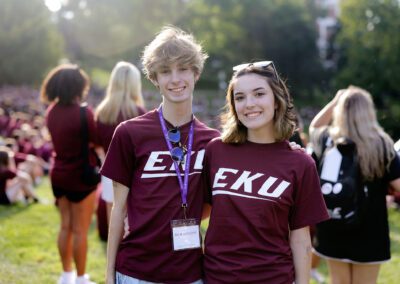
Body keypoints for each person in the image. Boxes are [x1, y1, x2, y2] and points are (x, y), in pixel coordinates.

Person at [101, 26, 220, 284]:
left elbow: (211, 203)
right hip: (135, 272)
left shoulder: (212, 142)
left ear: (196, 73)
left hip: (190, 273)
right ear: (154, 78)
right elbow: (118, 209)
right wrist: (109, 275)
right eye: (165, 71)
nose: (175, 79)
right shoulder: (129, 133)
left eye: (183, 69)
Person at [202, 61, 329, 284]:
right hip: (217, 278)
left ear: (277, 101)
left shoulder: (300, 163)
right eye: (240, 97)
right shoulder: (216, 151)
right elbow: (198, 211)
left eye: (259, 94)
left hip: (273, 278)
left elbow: (301, 240)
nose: (249, 104)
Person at [309, 86, 400, 284]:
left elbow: (314, 127)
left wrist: (335, 101)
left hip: (333, 224)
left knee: (339, 282)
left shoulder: (327, 140)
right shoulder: (382, 144)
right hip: (369, 230)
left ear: (340, 112)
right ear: (369, 112)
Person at [40, 64, 98, 284]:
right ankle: (81, 279)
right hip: (81, 176)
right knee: (80, 230)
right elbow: (97, 140)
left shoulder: (51, 111)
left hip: (59, 174)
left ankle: (66, 276)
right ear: (78, 87)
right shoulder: (84, 112)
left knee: (65, 226)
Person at [95, 61, 147, 227]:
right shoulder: (139, 113)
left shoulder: (102, 112)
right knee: (130, 222)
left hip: (109, 171)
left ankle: (114, 253)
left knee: (113, 221)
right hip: (133, 174)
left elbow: (97, 144)